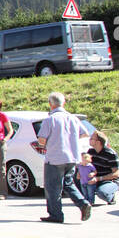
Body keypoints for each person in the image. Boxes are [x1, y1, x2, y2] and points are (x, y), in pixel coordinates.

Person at [33, 91, 91, 223]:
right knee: (68, 183)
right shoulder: (73, 118)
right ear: (63, 103)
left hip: (55, 157)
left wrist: (50, 142)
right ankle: (82, 203)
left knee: (52, 186)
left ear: (50, 104)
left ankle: (56, 214)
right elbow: (85, 133)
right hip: (72, 157)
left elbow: (41, 140)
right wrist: (71, 139)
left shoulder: (50, 120)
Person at [80, 131, 119, 206]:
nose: (89, 140)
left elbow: (116, 174)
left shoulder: (110, 154)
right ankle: (89, 200)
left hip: (109, 181)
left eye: (92, 139)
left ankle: (110, 197)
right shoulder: (90, 152)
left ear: (98, 142)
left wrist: (98, 179)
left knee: (102, 192)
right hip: (94, 179)